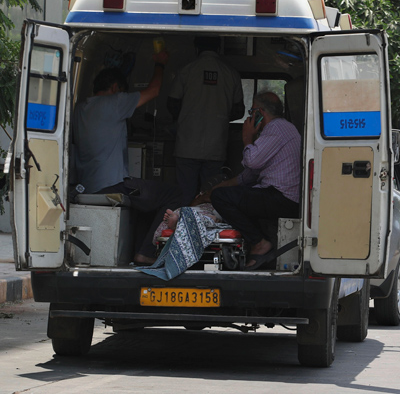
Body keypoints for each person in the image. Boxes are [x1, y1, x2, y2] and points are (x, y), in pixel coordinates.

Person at [72, 51, 184, 265]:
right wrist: (160, 64)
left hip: (88, 186)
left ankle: (138, 251)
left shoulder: (80, 109)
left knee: (145, 200)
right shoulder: (114, 103)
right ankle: (147, 252)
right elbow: (153, 91)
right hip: (113, 186)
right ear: (115, 89)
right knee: (174, 193)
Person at [209, 92, 301, 270]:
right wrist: (219, 188)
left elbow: (252, 161)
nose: (250, 116)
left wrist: (247, 137)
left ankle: (259, 243)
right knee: (223, 195)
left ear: (259, 112)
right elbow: (249, 175)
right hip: (279, 196)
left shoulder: (277, 128)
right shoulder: (279, 129)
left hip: (282, 198)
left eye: (252, 111)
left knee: (221, 198)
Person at [167, 36, 244, 205]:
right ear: (219, 48)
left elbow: (171, 103)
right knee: (210, 195)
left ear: (196, 48)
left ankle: (181, 227)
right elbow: (239, 111)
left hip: (186, 145)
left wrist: (187, 115)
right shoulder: (231, 73)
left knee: (184, 195)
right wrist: (219, 115)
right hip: (216, 146)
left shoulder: (186, 70)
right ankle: (205, 229)